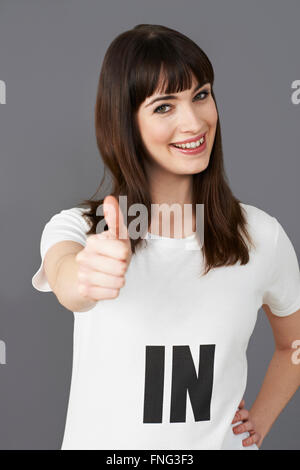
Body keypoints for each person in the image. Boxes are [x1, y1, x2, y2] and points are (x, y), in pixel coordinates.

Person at [32, 24, 300, 450]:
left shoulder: (260, 237)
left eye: (201, 95)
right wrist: (82, 278)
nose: (194, 122)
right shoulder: (84, 228)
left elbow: (294, 346)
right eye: (163, 107)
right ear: (125, 123)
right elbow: (68, 279)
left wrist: (260, 420)